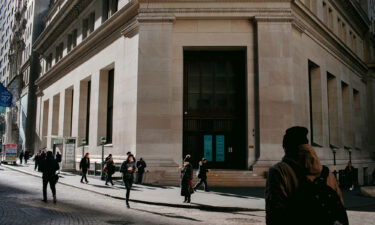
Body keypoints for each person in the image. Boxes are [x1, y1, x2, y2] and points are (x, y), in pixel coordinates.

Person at [265, 126, 348, 225]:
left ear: (286, 147)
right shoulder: (328, 174)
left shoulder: (279, 171)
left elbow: (275, 214)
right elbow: (340, 207)